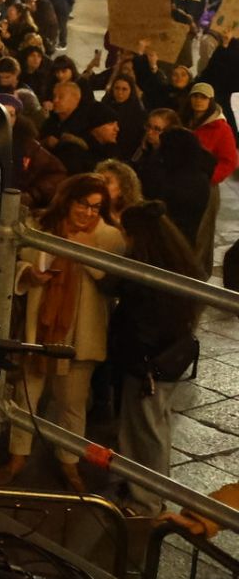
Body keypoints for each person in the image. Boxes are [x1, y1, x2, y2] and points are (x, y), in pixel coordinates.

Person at [0, 174, 124, 492]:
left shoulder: (110, 237)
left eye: (97, 207)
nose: (88, 213)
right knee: (26, 395)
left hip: (81, 335)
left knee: (73, 401)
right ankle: (18, 456)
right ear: (67, 200)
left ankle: (69, 461)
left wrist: (84, 252)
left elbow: (111, 282)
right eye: (82, 204)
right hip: (39, 328)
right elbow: (16, 261)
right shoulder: (40, 227)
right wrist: (30, 274)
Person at [109, 201, 202, 515]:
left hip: (147, 363)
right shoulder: (177, 260)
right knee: (152, 424)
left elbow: (139, 321)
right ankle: (143, 486)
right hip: (167, 359)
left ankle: (146, 499)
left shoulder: (145, 272)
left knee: (146, 428)